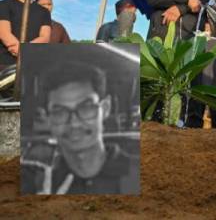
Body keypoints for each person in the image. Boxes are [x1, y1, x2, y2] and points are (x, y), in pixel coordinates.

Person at [25, 61, 139, 194]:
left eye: (86, 108)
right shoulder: (35, 184)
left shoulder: (144, 173)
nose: (74, 123)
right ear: (47, 118)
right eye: (60, 112)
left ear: (105, 108)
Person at [181, 25, 216, 129]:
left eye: (211, 23)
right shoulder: (196, 40)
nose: (208, 25)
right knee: (194, 119)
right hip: (198, 86)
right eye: (206, 22)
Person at [0, 0, 50, 70]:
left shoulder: (44, 12)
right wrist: (19, 49)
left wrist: (26, 51)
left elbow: (45, 37)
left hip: (31, 65)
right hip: (4, 64)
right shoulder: (3, 5)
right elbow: (4, 33)